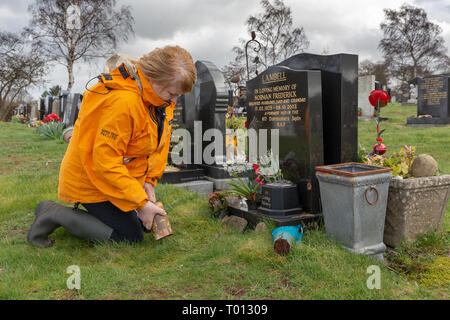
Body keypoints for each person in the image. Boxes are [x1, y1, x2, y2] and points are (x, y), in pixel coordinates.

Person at [27, 46, 197, 247]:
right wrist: (141, 204)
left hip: (115, 179)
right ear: (154, 78)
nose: (174, 101)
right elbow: (105, 163)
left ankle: (124, 210)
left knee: (142, 225)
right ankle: (53, 213)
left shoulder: (160, 101)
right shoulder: (123, 103)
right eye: (172, 93)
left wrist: (148, 181)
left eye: (179, 95)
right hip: (91, 179)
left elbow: (158, 145)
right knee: (130, 237)